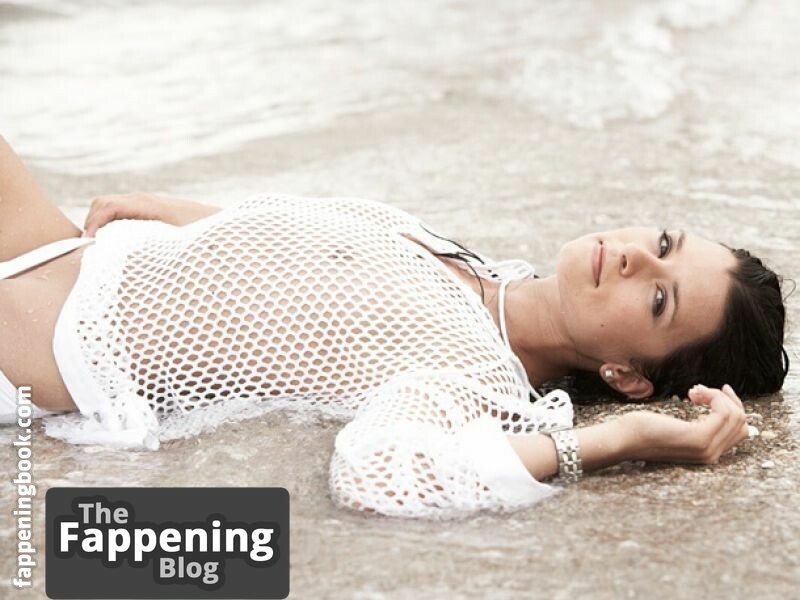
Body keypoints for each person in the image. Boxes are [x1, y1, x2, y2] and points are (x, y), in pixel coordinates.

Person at [0, 135, 789, 518]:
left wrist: (620, 440)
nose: (637, 259)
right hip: (59, 251)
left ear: (626, 376)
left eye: (658, 300)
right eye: (663, 244)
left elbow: (380, 473)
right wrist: (189, 217)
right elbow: (318, 268)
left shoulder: (474, 375)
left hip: (36, 336)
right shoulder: (482, 272)